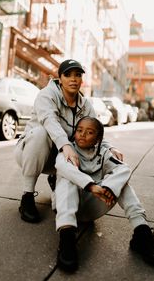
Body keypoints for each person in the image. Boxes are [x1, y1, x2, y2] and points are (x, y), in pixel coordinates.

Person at [15, 59, 122, 223]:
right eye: (68, 75)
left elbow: (95, 131)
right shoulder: (46, 95)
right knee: (41, 133)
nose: (73, 79)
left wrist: (110, 148)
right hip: (30, 152)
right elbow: (49, 120)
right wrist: (66, 145)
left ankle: (57, 182)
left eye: (77, 75)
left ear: (81, 80)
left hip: (60, 157)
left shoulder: (85, 105)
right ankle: (27, 196)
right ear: (60, 78)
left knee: (62, 207)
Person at [55, 116, 154, 272]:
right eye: (79, 130)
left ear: (98, 138)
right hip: (66, 210)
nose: (82, 135)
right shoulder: (67, 150)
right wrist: (91, 185)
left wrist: (109, 188)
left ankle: (142, 233)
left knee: (122, 184)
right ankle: (67, 240)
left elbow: (123, 169)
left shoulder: (103, 152)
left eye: (89, 132)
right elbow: (62, 166)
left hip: (94, 204)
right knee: (67, 179)